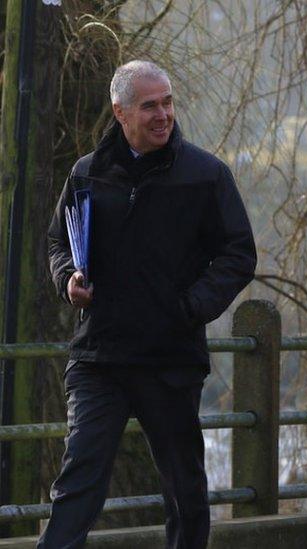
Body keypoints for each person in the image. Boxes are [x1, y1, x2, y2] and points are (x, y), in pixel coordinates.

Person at [43, 60, 256, 549]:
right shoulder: (86, 174)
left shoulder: (206, 175)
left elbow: (238, 253)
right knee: (79, 478)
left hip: (170, 358)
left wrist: (191, 306)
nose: (163, 115)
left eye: (168, 102)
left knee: (185, 490)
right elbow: (59, 243)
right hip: (100, 355)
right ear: (120, 112)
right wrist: (67, 279)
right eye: (149, 106)